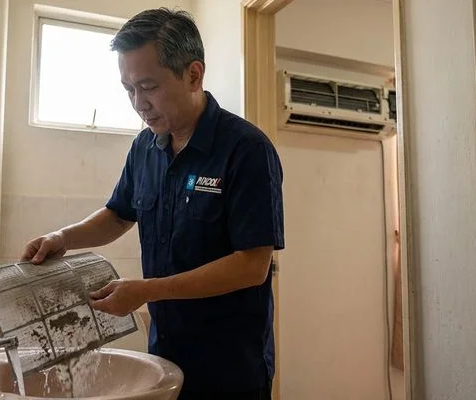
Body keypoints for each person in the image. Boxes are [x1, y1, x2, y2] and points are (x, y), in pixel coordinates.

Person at [21, 8, 284, 400]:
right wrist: (64, 237)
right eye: (128, 89)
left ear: (194, 75)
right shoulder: (145, 146)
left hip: (230, 367)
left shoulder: (246, 149)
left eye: (149, 86)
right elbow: (117, 215)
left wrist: (147, 290)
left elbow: (252, 266)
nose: (138, 103)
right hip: (165, 355)